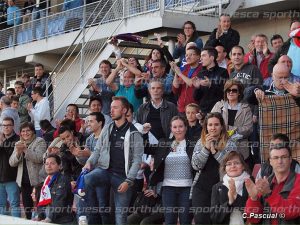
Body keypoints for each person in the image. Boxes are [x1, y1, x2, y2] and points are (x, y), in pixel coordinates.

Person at [83, 96, 144, 225]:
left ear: (124, 110)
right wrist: (89, 162)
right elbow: (98, 149)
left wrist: (129, 181)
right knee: (87, 179)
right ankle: (94, 219)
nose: (111, 110)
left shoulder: (134, 133)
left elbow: (137, 160)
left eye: (115, 107)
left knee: (120, 217)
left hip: (123, 177)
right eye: (111, 108)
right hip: (105, 171)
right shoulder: (108, 128)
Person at [192, 112, 236, 224]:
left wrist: (214, 151)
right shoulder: (200, 142)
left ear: (222, 126)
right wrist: (206, 149)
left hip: (222, 188)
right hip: (201, 188)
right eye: (210, 125)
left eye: (216, 124)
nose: (213, 128)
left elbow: (231, 167)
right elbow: (196, 165)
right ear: (206, 127)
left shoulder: (230, 144)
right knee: (201, 221)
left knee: (219, 221)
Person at [244, 135, 300, 224]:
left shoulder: (298, 181)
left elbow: (292, 211)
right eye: (276, 158)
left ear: (290, 159)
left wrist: (269, 194)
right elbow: (253, 219)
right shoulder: (265, 183)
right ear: (270, 161)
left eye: (284, 157)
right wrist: (253, 198)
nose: (280, 161)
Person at [149, 116, 195, 225]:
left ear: (186, 127)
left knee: (185, 220)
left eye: (180, 126)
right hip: (168, 188)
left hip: (187, 187)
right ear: (171, 128)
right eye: (175, 127)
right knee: (169, 221)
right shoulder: (164, 143)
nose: (178, 130)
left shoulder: (193, 144)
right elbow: (147, 148)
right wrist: (144, 132)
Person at [9, 122, 47, 219]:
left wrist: (25, 150)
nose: (25, 133)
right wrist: (18, 153)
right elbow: (12, 163)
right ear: (20, 133)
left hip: (38, 182)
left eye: (28, 130)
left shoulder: (40, 141)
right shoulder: (18, 143)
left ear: (33, 131)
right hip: (24, 182)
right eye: (23, 131)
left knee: (41, 210)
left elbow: (39, 158)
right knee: (28, 210)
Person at [211, 79, 253, 161]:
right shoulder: (218, 105)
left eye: (234, 90)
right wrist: (201, 119)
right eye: (228, 90)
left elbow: (249, 129)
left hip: (241, 151)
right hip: (220, 148)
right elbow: (210, 123)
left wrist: (232, 130)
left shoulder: (245, 108)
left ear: (239, 92)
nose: (231, 92)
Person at [210, 151, 251, 224]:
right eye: (229, 164)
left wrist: (236, 197)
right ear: (225, 168)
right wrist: (229, 202)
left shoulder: (251, 183)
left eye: (236, 163)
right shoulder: (217, 187)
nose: (233, 166)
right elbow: (214, 218)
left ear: (243, 166)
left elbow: (254, 212)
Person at [37, 154, 74, 224]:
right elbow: (42, 204)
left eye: (52, 163)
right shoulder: (45, 182)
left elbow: (59, 203)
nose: (49, 166)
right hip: (48, 219)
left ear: (59, 166)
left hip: (61, 221)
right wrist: (39, 217)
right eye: (46, 164)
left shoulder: (63, 180)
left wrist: (49, 218)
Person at [193, 46, 229, 114]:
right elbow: (196, 98)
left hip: (218, 111)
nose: (201, 59)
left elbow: (224, 92)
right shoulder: (200, 74)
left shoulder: (223, 72)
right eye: (201, 56)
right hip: (203, 112)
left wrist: (210, 84)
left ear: (212, 58)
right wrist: (197, 88)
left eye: (203, 56)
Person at [171, 46, 202, 113]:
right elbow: (175, 90)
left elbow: (192, 84)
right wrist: (176, 73)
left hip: (194, 109)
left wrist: (179, 73)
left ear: (198, 57)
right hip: (181, 108)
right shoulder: (185, 70)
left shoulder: (201, 70)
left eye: (191, 55)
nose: (188, 57)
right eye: (186, 55)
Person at [0, 117, 20, 217]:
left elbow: (12, 156)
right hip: (0, 178)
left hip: (12, 177)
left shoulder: (17, 139)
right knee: (1, 205)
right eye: (4, 125)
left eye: (8, 125)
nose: (6, 127)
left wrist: (3, 142)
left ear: (13, 126)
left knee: (14, 204)